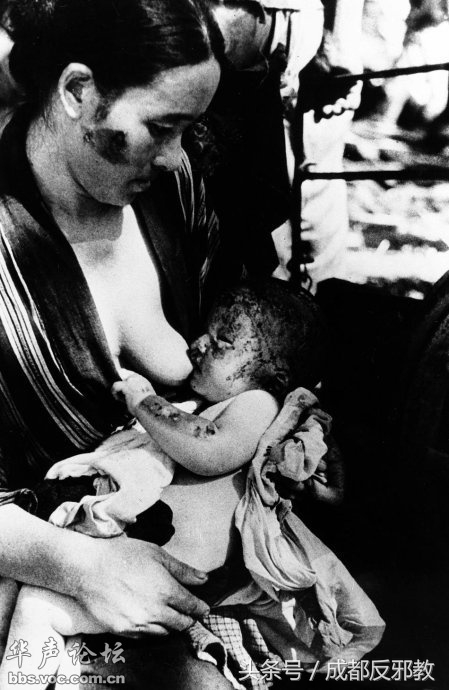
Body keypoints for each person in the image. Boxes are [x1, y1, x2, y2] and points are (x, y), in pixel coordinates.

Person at [0, 0, 244, 687]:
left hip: (185, 535)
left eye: (189, 129)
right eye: (160, 128)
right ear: (78, 90)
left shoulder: (175, 189)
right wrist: (80, 567)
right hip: (41, 563)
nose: (174, 155)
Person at [0, 281, 383, 688]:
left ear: (276, 375)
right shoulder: (217, 405)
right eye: (205, 333)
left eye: (221, 344)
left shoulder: (260, 403)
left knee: (39, 607)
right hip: (149, 572)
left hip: (172, 579)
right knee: (34, 605)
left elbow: (208, 450)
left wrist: (143, 402)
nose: (198, 345)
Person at [207, 0, 365, 289]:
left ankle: (304, 304)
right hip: (241, 21)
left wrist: (340, 40)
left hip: (269, 24)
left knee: (295, 189)